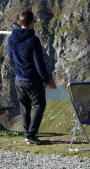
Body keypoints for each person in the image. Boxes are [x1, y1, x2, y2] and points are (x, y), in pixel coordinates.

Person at [7, 10, 56, 145]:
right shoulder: (33, 40)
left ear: (19, 22)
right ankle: (31, 134)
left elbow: (10, 55)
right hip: (32, 80)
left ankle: (27, 135)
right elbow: (39, 63)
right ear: (32, 22)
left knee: (24, 107)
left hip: (19, 79)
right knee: (40, 105)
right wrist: (47, 81)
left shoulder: (12, 38)